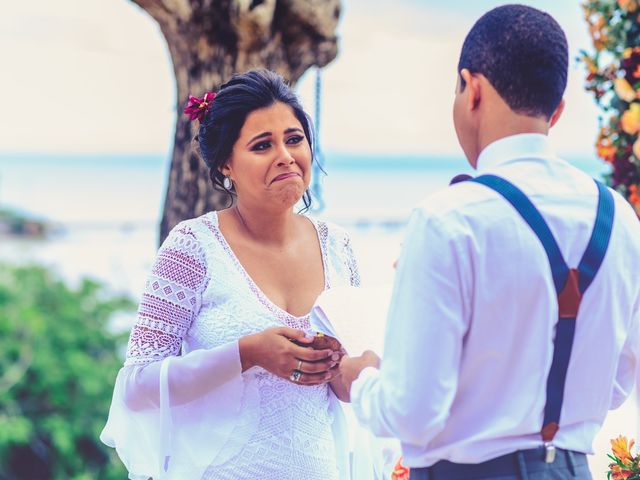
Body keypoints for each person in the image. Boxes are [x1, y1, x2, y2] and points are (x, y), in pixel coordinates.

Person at [339, 4, 640, 480]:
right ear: (557, 111)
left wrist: (361, 380)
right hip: (570, 469)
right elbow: (619, 381)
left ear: (471, 88)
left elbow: (412, 411)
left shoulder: (448, 220)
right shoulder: (620, 218)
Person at [101, 69, 360, 480]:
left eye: (294, 139)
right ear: (227, 164)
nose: (286, 156)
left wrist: (346, 365)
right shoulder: (193, 247)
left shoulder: (338, 247)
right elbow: (137, 389)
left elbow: (345, 390)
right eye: (262, 145)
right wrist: (247, 353)